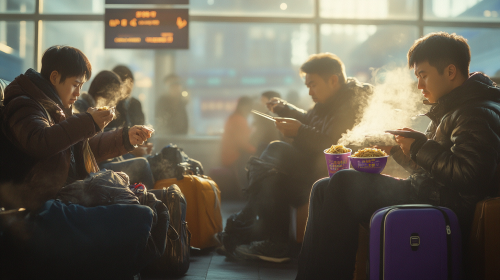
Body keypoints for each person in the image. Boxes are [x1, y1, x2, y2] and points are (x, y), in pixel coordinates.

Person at [295, 32, 500, 280]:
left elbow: (470, 175)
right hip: (431, 194)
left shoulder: (473, 112)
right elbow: (439, 168)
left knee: (342, 183)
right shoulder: (457, 107)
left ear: (450, 71)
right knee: (323, 187)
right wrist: (398, 150)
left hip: (443, 207)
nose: (419, 85)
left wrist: (420, 147)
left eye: (423, 76)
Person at [221, 53, 373, 262]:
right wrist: (285, 109)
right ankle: (273, 242)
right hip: (313, 166)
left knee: (277, 150)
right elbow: (311, 120)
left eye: (313, 85)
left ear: (333, 80)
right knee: (273, 178)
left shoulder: (352, 103)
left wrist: (299, 131)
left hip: (332, 172)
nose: (309, 92)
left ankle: (248, 226)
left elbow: (336, 145)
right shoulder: (328, 101)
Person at [0, 45, 152, 211]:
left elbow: (81, 148)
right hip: (43, 207)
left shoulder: (54, 108)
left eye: (81, 86)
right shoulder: (25, 104)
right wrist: (88, 122)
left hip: (63, 196)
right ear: (55, 77)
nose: (78, 93)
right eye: (75, 84)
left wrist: (125, 138)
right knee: (143, 212)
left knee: (151, 204)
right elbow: (40, 141)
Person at [220, 96, 256, 189]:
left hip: (228, 155)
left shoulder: (233, 118)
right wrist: (256, 151)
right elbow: (241, 143)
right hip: (235, 157)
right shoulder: (239, 120)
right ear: (245, 107)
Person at [109, 65, 145, 129]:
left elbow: (141, 123)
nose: (130, 86)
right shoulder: (109, 105)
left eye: (131, 82)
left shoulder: (135, 103)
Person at [250, 90, 282, 156]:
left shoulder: (267, 119)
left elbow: (255, 138)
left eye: (262, 101)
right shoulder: (262, 118)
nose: (260, 104)